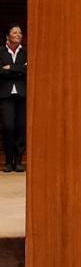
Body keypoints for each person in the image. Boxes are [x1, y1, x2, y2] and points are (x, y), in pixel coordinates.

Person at [0, 25, 25, 173]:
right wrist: (20, 68)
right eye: (15, 32)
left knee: (21, 126)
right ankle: (9, 161)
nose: (19, 35)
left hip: (22, 94)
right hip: (5, 94)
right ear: (7, 36)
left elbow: (29, 69)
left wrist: (10, 68)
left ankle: (18, 160)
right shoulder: (1, 51)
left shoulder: (26, 51)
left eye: (20, 33)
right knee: (8, 126)